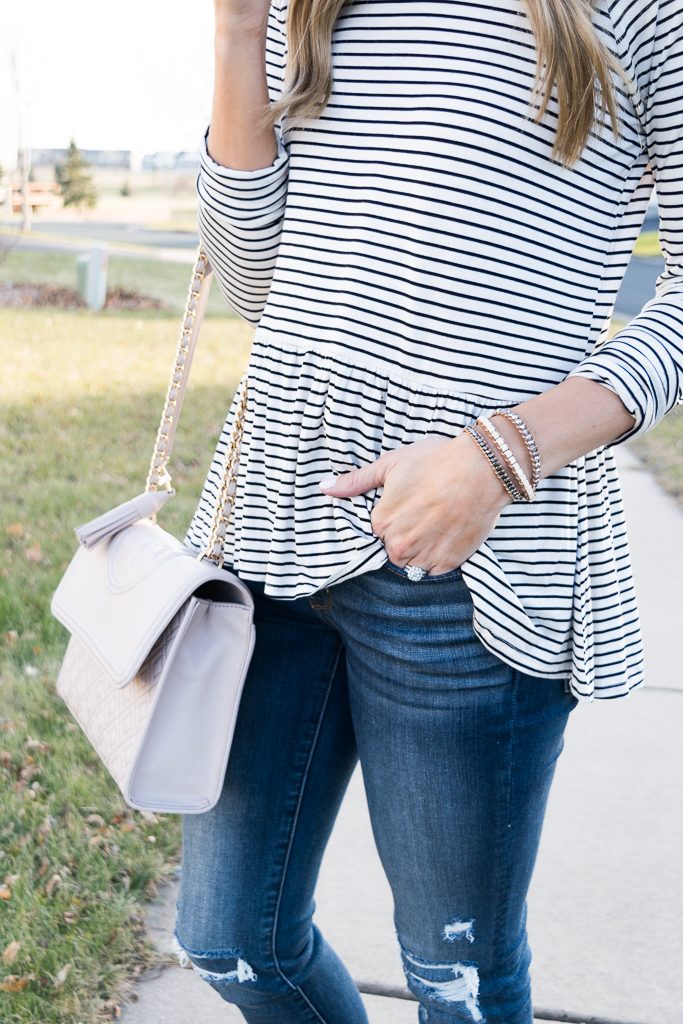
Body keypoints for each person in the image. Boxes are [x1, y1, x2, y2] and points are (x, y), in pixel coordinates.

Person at [173, 1, 683, 1021]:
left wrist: (506, 453)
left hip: (470, 558)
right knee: (229, 938)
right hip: (271, 524)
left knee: (455, 976)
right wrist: (236, 33)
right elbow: (252, 275)